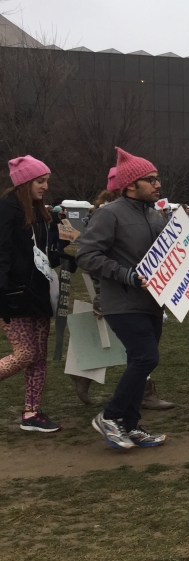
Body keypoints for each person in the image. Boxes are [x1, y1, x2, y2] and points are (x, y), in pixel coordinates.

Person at [77, 147, 171, 449]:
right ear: (131, 185)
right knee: (146, 357)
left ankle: (130, 426)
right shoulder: (109, 214)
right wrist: (127, 275)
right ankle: (110, 416)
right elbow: (87, 255)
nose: (158, 185)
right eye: (151, 180)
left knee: (140, 361)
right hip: (122, 303)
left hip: (152, 303)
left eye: (157, 179)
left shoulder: (155, 216)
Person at [0, 156, 63, 432]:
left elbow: (42, 256)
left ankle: (31, 413)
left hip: (38, 293)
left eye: (46, 181)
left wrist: (62, 255)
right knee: (25, 353)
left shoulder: (40, 213)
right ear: (25, 183)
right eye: (40, 181)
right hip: (12, 295)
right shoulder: (6, 210)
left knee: (38, 355)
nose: (45, 186)